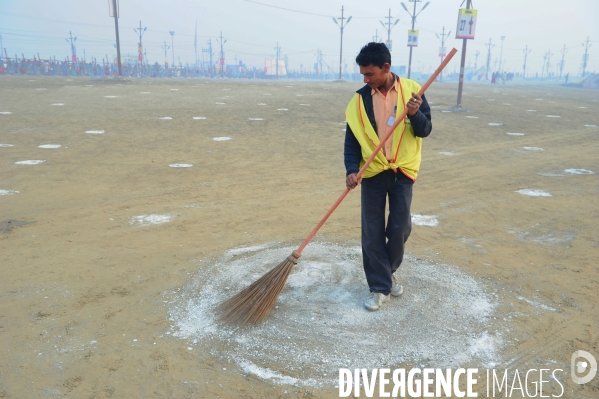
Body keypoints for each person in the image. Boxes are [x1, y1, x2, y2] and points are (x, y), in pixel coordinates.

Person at [344, 42, 432, 311]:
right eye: (362, 74)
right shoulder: (359, 100)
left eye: (369, 74)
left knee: (399, 229)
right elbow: (352, 141)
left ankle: (387, 272)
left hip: (403, 172)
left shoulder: (413, 92)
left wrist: (415, 114)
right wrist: (350, 170)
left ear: (386, 68)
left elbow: (425, 130)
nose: (365, 79)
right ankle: (380, 286)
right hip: (371, 173)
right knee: (371, 232)